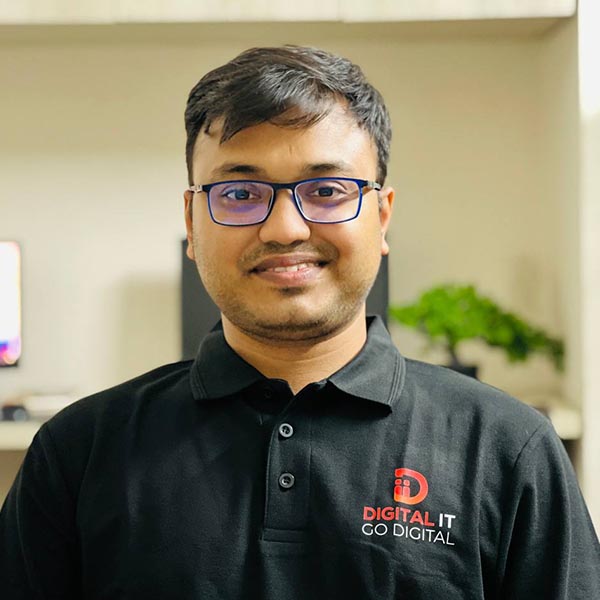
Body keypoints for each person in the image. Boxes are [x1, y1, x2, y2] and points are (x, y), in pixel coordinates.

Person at [1, 45, 599, 600]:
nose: (285, 228)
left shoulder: (507, 449)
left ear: (382, 216)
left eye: (328, 190)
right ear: (191, 221)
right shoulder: (79, 452)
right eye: (240, 193)